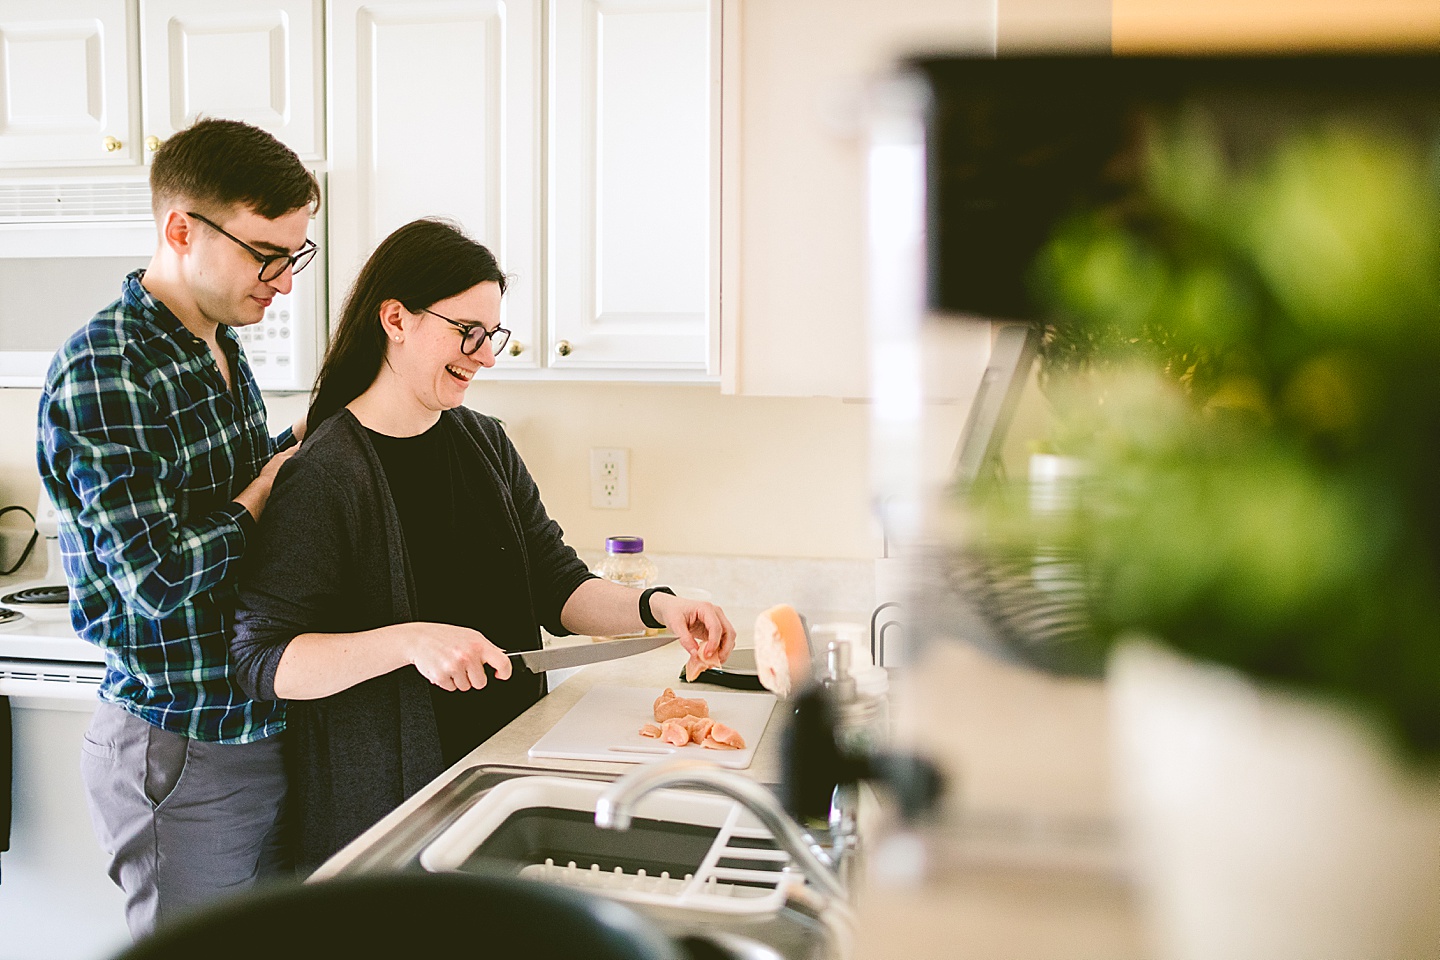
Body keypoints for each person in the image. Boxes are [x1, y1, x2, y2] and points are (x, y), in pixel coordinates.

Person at [230, 218, 735, 872]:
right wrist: (410, 640)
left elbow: (556, 585)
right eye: (468, 332)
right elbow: (262, 659)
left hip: (503, 782)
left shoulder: (484, 442)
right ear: (396, 319)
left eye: (491, 334)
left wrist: (657, 607)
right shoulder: (324, 473)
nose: (486, 354)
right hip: (393, 810)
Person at [36, 118, 320, 937]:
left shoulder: (218, 346)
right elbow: (154, 573)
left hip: (251, 724)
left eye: (292, 256)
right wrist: (264, 490)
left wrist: (294, 452)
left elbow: (213, 492)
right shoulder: (108, 364)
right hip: (181, 744)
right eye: (266, 254)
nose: (284, 281)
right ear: (180, 229)